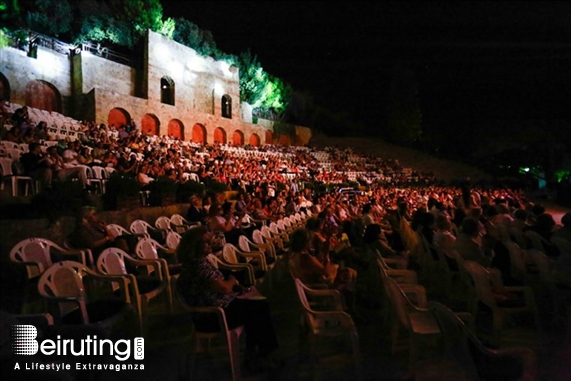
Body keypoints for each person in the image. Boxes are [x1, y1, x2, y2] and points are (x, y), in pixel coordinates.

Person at [176, 226, 280, 372]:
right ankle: (260, 354)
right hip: (214, 317)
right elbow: (223, 288)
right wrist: (232, 282)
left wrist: (233, 286)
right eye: (205, 242)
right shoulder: (198, 265)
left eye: (209, 241)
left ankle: (257, 353)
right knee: (259, 308)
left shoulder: (198, 262)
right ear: (194, 245)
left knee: (258, 305)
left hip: (220, 308)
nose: (210, 244)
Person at [67, 206, 133, 261]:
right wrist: (106, 239)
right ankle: (129, 261)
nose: (96, 216)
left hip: (107, 247)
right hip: (97, 251)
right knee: (120, 242)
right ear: (86, 217)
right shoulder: (82, 229)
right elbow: (92, 244)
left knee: (128, 238)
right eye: (93, 214)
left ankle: (130, 259)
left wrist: (105, 228)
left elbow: (112, 237)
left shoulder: (95, 226)